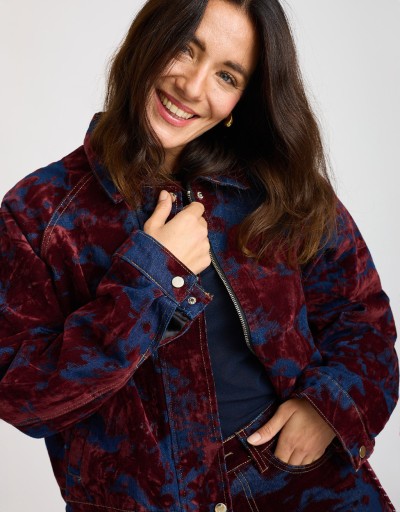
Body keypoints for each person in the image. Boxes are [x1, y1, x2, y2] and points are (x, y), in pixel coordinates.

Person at [0, 0, 398, 510]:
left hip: (301, 487)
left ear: (243, 99)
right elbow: (24, 396)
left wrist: (330, 407)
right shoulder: (38, 212)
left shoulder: (278, 186)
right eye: (185, 49)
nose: (192, 87)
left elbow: (361, 318)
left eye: (227, 76)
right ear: (148, 40)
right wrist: (152, 277)